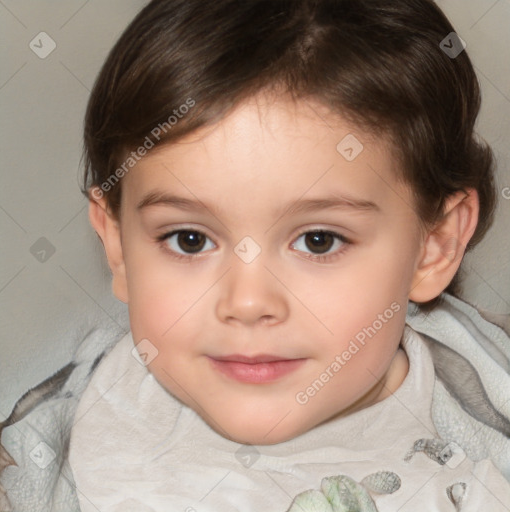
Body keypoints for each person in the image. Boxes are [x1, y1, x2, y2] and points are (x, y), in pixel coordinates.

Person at [68, 0, 510, 510]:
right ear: (118, 245)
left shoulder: (475, 458)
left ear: (434, 246)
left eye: (318, 240)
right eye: (189, 239)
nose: (248, 302)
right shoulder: (75, 428)